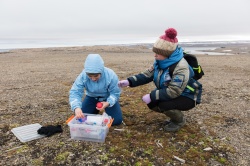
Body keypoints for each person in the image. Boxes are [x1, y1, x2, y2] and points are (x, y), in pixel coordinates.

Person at [118, 28, 202, 132]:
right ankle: (174, 116)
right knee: (152, 103)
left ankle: (179, 121)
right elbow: (147, 75)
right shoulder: (160, 62)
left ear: (167, 53)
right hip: (176, 92)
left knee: (163, 104)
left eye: (158, 53)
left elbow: (174, 91)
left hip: (189, 95)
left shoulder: (181, 67)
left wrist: (152, 95)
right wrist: (129, 81)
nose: (155, 55)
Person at [69, 54, 123, 125]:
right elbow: (75, 92)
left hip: (107, 98)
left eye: (96, 76)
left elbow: (115, 93)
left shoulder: (111, 75)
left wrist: (108, 103)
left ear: (101, 71)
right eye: (90, 76)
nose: (93, 79)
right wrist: (76, 107)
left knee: (116, 121)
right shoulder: (83, 76)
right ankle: (94, 111)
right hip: (91, 97)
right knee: (82, 118)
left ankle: (103, 110)